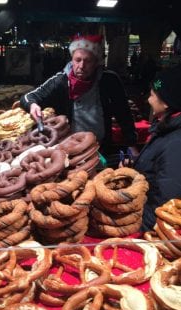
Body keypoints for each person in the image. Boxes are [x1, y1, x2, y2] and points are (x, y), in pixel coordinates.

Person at [20, 35, 138, 156]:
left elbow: (124, 114)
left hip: (101, 146)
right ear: (72, 59)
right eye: (78, 60)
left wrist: (132, 144)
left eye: (87, 61)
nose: (81, 66)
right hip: (69, 148)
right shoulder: (60, 80)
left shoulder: (109, 80)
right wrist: (32, 105)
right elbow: (27, 97)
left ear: (96, 62)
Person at [134, 66, 181, 231]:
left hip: (150, 228)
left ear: (167, 102)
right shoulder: (164, 129)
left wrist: (136, 229)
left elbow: (164, 204)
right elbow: (155, 168)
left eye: (152, 95)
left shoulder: (176, 143)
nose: (148, 100)